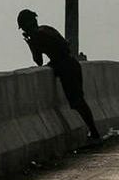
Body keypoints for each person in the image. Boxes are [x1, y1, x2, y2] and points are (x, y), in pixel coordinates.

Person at [17, 9, 102, 143]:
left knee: (77, 102)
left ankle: (95, 134)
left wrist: (30, 45)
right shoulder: (47, 29)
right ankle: (94, 132)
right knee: (79, 101)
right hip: (72, 64)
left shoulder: (37, 37)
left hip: (66, 69)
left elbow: (38, 61)